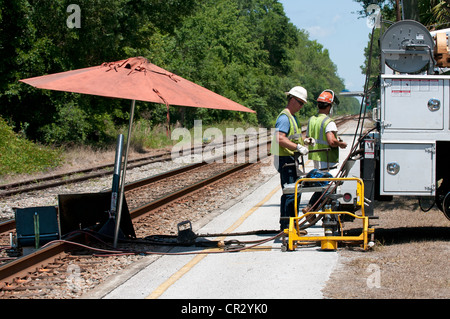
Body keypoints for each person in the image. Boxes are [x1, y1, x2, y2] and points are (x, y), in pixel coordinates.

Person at [271, 86, 313, 230]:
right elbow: (279, 138)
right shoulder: (284, 118)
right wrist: (297, 148)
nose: (301, 106)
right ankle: (287, 227)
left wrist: (304, 142)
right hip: (286, 161)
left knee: (294, 193)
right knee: (290, 193)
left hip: (291, 160)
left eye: (302, 104)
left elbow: (291, 138)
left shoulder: (293, 117)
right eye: (300, 102)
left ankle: (291, 226)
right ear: (292, 99)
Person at [304, 89, 347, 214]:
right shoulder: (329, 122)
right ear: (329, 106)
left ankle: (313, 209)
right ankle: (313, 208)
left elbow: (307, 138)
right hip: (327, 158)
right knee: (328, 185)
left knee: (322, 183)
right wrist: (341, 144)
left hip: (316, 157)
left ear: (318, 105)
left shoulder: (312, 119)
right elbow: (331, 141)